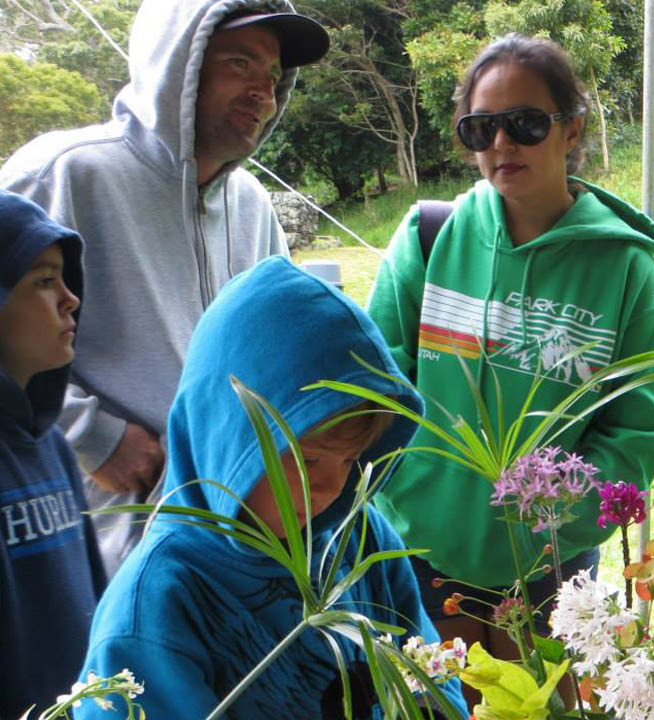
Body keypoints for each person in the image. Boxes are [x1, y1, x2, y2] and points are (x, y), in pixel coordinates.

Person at [367, 33, 654, 656]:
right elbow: (377, 380)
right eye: (481, 129)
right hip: (420, 552)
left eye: (526, 123)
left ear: (572, 128)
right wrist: (407, 490)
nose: (502, 144)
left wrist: (556, 520)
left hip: (550, 568)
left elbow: (641, 423)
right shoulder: (430, 236)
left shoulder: (622, 267)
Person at [0, 0, 330, 576]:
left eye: (273, 77)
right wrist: (93, 436)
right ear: (178, 61)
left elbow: (282, 352)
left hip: (229, 538)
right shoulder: (64, 172)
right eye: (239, 63)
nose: (263, 93)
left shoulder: (250, 207)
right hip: (95, 531)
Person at [75, 257, 468, 719]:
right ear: (227, 435)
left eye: (348, 459)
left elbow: (429, 674)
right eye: (305, 459)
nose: (329, 484)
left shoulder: (361, 538)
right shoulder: (157, 601)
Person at [0, 191, 107, 718]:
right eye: (43, 281)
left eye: (66, 279)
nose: (71, 299)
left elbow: (96, 602)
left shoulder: (55, 448)